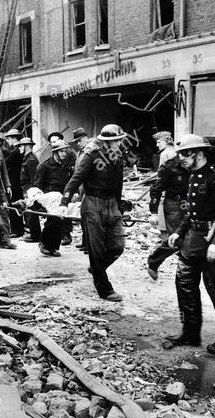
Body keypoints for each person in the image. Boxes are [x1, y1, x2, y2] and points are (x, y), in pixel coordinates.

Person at [166, 134, 215, 355]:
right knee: (185, 284)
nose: (181, 159)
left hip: (211, 242)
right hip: (193, 242)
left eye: (185, 154)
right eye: (180, 154)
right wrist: (179, 232)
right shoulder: (192, 177)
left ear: (198, 153)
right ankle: (190, 332)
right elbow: (191, 213)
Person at [59, 124, 128, 302]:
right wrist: (64, 201)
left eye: (120, 140)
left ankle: (97, 268)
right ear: (106, 142)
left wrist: (119, 206)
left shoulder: (118, 156)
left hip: (111, 203)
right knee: (96, 250)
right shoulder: (91, 155)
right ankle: (105, 289)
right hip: (92, 203)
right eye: (115, 141)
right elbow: (76, 178)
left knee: (117, 246)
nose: (119, 143)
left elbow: (118, 183)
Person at [147, 150, 190, 280]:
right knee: (177, 239)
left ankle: (188, 270)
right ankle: (154, 261)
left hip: (187, 202)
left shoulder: (193, 164)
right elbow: (156, 189)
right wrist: (154, 212)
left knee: (192, 236)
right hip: (173, 205)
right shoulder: (168, 167)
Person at [33, 141, 75, 244]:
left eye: (65, 151)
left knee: (63, 219)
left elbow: (72, 181)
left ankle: (54, 246)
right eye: (61, 151)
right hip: (50, 196)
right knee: (53, 221)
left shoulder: (67, 166)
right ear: (55, 152)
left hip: (63, 195)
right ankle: (44, 244)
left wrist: (75, 192)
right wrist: (41, 202)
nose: (64, 154)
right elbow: (38, 186)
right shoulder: (44, 166)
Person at [17, 137, 41, 243]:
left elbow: (33, 178)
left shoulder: (31, 159)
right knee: (29, 211)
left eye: (20, 146)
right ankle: (33, 233)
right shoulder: (27, 158)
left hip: (30, 188)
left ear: (26, 146)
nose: (19, 148)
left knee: (31, 212)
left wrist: (32, 192)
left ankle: (35, 235)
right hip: (26, 188)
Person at [5, 129, 24, 237]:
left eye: (9, 139)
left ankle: (16, 230)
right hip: (18, 182)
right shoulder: (19, 150)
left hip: (14, 183)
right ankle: (18, 229)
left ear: (13, 138)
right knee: (18, 206)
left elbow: (7, 163)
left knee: (14, 206)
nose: (8, 141)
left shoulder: (15, 152)